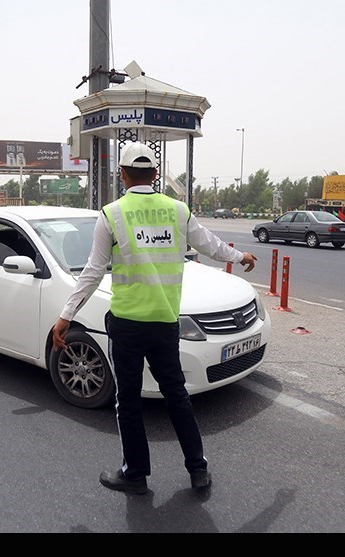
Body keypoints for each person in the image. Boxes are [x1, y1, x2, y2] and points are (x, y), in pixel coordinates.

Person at [52, 142, 257, 495]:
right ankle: (198, 470)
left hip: (127, 326)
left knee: (128, 401)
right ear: (157, 174)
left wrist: (66, 315)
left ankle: (136, 474)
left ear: (123, 175)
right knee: (177, 396)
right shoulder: (178, 211)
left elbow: (92, 271)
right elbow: (210, 245)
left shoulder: (111, 214)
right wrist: (240, 257)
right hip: (165, 325)